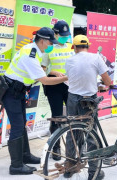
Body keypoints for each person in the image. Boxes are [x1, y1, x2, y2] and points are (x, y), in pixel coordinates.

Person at [1, 27, 68, 175]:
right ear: (43, 41)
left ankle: (25, 156)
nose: (51, 45)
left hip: (17, 92)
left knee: (21, 125)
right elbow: (44, 80)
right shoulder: (30, 55)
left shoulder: (33, 50)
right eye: (50, 42)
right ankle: (16, 166)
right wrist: (66, 78)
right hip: (12, 93)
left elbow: (40, 71)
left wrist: (53, 72)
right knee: (17, 127)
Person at [64, 35, 112, 180]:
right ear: (88, 46)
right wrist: (106, 84)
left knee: (72, 131)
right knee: (90, 134)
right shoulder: (96, 57)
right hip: (88, 100)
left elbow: (73, 77)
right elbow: (107, 80)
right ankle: (94, 172)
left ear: (75, 47)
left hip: (72, 99)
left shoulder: (69, 60)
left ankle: (69, 167)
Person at [41, 20, 74, 161]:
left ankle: (72, 147)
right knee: (57, 116)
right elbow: (42, 69)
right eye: (62, 35)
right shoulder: (49, 48)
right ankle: (55, 147)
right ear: (55, 33)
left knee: (72, 115)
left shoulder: (70, 48)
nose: (65, 38)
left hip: (69, 85)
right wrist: (52, 71)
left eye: (66, 35)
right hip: (53, 85)